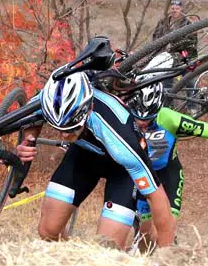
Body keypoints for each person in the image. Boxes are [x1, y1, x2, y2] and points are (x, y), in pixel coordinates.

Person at [16, 71, 176, 248]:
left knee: (107, 248)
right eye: (58, 127)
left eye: (72, 128)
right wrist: (28, 141)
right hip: (84, 156)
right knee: (48, 231)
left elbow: (156, 197)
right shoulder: (51, 98)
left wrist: (166, 253)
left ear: (89, 109)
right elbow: (31, 119)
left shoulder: (122, 141)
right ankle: (70, 264)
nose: (64, 135)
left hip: (122, 170)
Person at [125, 54, 208, 245]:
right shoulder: (123, 115)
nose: (143, 124)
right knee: (146, 238)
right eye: (138, 119)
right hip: (141, 175)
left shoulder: (169, 118)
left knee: (162, 238)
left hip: (169, 175)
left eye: (148, 119)